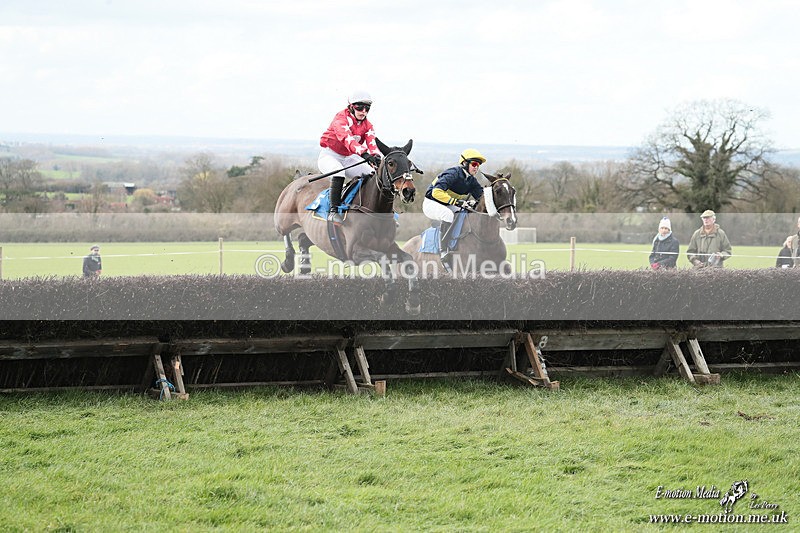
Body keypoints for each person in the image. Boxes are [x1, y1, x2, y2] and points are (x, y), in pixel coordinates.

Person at [318, 90, 382, 223]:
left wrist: (375, 156)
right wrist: (365, 154)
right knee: (339, 173)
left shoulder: (367, 125)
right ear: (351, 107)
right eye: (359, 107)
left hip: (348, 158)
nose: (363, 111)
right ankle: (333, 211)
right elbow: (348, 140)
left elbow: (372, 142)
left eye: (367, 108)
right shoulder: (340, 119)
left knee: (373, 174)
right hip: (330, 155)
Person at [422, 148, 486, 265]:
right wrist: (456, 202)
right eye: (474, 164)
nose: (476, 167)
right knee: (448, 215)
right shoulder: (453, 173)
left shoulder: (471, 180)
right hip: (431, 203)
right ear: (465, 163)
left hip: (447, 204)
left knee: (467, 214)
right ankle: (444, 250)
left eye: (478, 165)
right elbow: (436, 192)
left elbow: (481, 197)